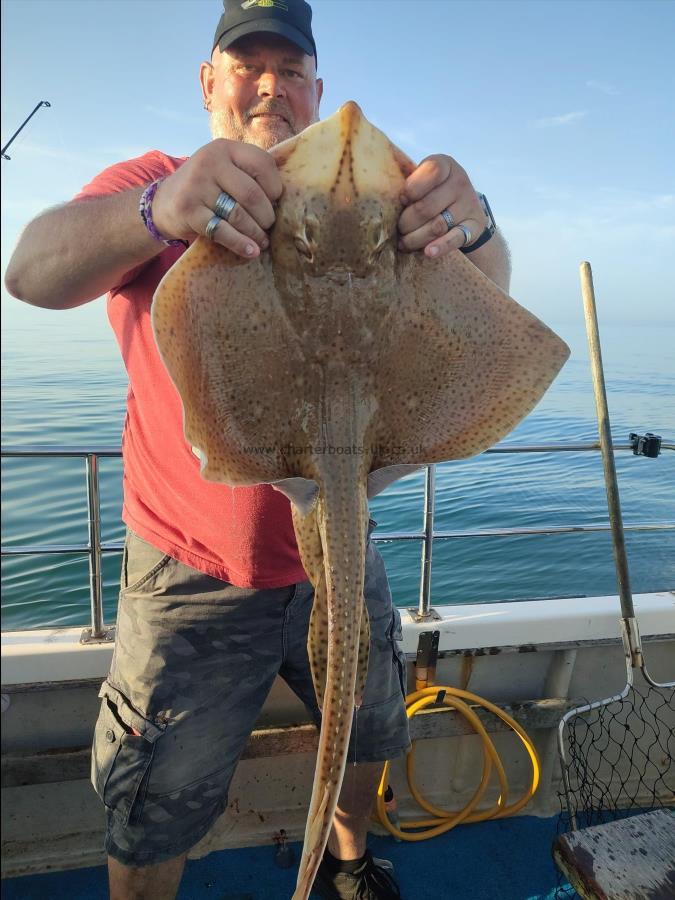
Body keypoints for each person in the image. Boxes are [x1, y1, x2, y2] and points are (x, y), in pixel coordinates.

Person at [6, 2, 511, 898]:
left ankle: (347, 864)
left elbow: (484, 303)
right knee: (157, 799)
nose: (271, 84)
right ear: (209, 84)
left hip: (344, 542)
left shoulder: (388, 199)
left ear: (318, 89)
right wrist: (159, 210)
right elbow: (32, 269)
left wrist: (472, 221)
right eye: (248, 65)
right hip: (190, 578)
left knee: (367, 733)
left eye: (291, 68)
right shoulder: (160, 181)